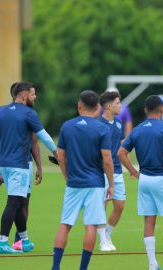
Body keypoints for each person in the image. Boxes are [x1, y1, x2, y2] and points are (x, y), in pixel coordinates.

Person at [118, 95, 163, 270]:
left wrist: (134, 172)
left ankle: (152, 264)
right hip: (162, 178)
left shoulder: (137, 129)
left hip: (145, 180)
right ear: (162, 109)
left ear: (145, 110)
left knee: (149, 221)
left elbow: (121, 153)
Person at [0, 82, 52, 251]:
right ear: (24, 95)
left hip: (8, 163)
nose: (35, 97)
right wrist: (57, 152)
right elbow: (43, 137)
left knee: (19, 201)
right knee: (13, 202)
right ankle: (2, 242)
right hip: (19, 165)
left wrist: (1, 159)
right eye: (33, 94)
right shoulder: (29, 113)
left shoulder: (1, 111)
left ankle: (24, 241)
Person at [52, 90, 114, 270]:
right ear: (97, 108)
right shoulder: (102, 128)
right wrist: (110, 184)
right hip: (94, 184)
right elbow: (107, 160)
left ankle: (55, 267)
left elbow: (60, 157)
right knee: (91, 226)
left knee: (65, 224)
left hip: (74, 183)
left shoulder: (67, 126)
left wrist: (67, 176)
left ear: (79, 106)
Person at [97, 91, 126, 252]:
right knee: (103, 204)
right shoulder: (98, 124)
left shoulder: (119, 123)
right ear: (109, 106)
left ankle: (107, 235)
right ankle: (102, 241)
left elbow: (121, 148)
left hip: (117, 170)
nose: (120, 105)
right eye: (118, 102)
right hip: (102, 171)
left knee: (120, 206)